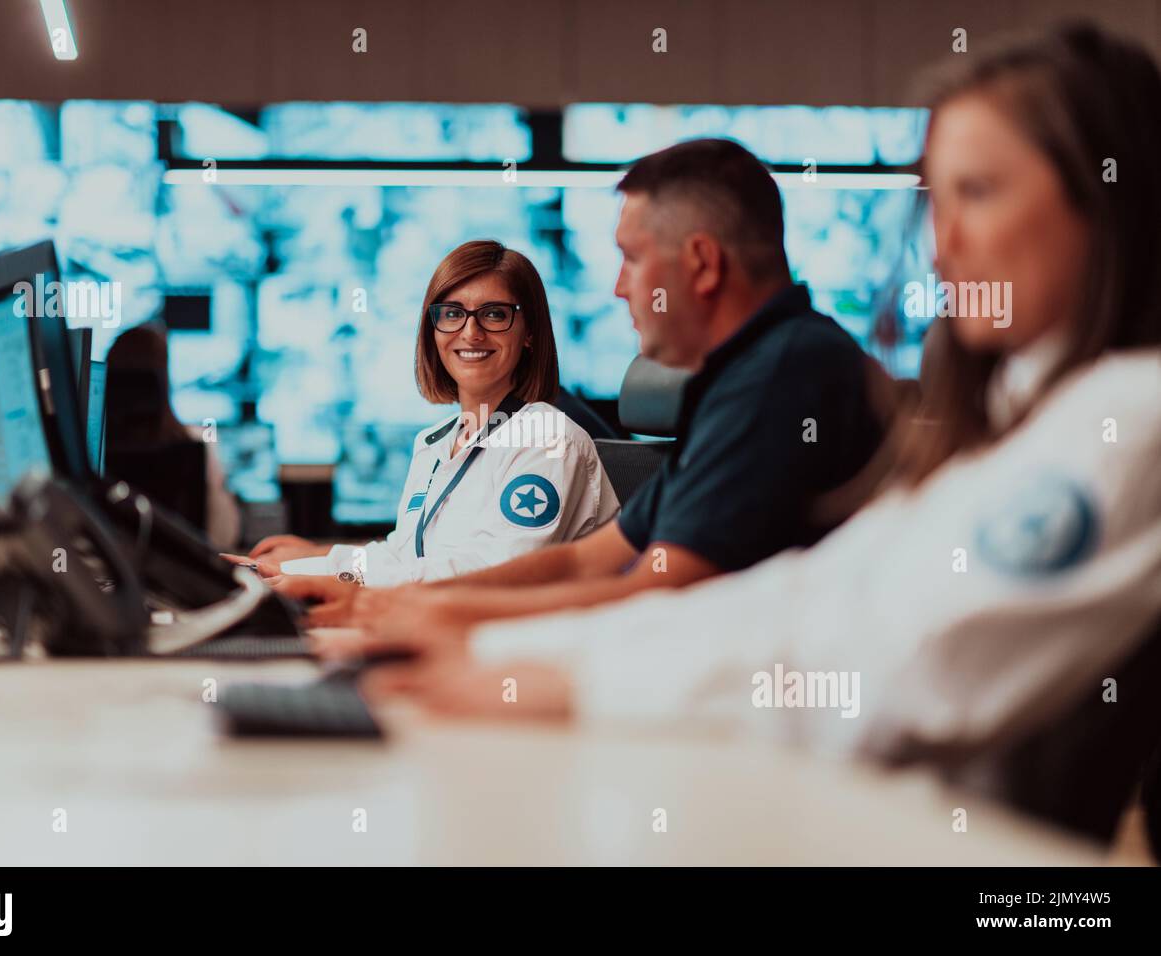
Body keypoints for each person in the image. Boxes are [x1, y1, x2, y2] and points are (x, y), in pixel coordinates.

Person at [351, 24, 1161, 764]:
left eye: (978, 193)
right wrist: (489, 649)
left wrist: (542, 674)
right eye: (938, 202)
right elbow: (800, 599)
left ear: (1106, 197)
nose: (943, 247)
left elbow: (890, 666)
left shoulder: (1125, 419)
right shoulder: (1024, 421)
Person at [281, 138, 891, 631]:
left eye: (631, 257)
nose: (619, 288)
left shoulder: (784, 375)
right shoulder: (740, 379)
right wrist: (383, 600)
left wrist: (387, 607)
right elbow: (581, 560)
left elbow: (655, 593)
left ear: (702, 264)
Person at [233, 240, 619, 591]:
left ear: (530, 332)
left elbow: (493, 575)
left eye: (494, 315)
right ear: (432, 330)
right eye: (452, 314)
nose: (471, 333)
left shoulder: (548, 439)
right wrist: (305, 566)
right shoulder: (435, 441)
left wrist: (333, 577)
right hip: (449, 628)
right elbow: (405, 558)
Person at [104, 322, 241, 550]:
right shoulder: (197, 444)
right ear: (163, 378)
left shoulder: (84, 452)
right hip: (178, 577)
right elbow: (224, 537)